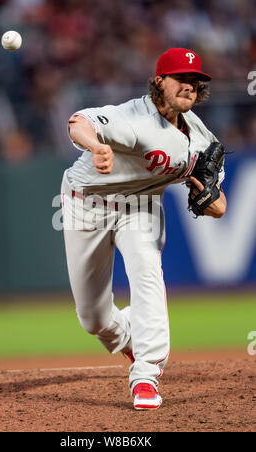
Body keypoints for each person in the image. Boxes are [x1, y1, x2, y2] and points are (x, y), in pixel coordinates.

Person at [61, 48, 227, 410]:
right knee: (93, 318)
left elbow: (218, 206)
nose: (189, 85)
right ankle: (132, 342)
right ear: (158, 82)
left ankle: (147, 373)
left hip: (141, 206)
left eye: (195, 81)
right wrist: (95, 147)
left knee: (147, 270)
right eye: (180, 78)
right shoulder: (133, 119)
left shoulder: (201, 139)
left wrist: (212, 199)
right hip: (85, 202)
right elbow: (78, 122)